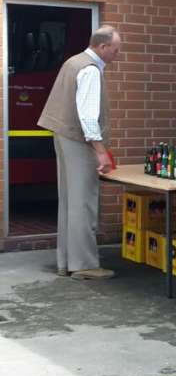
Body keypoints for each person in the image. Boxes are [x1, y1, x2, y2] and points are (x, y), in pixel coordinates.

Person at [38, 25, 121, 279]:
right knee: (83, 201)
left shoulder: (73, 62)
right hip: (78, 139)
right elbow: (87, 116)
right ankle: (84, 264)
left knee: (69, 201)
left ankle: (67, 262)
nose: (117, 54)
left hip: (63, 135)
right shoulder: (90, 69)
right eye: (116, 49)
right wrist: (100, 151)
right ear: (103, 46)